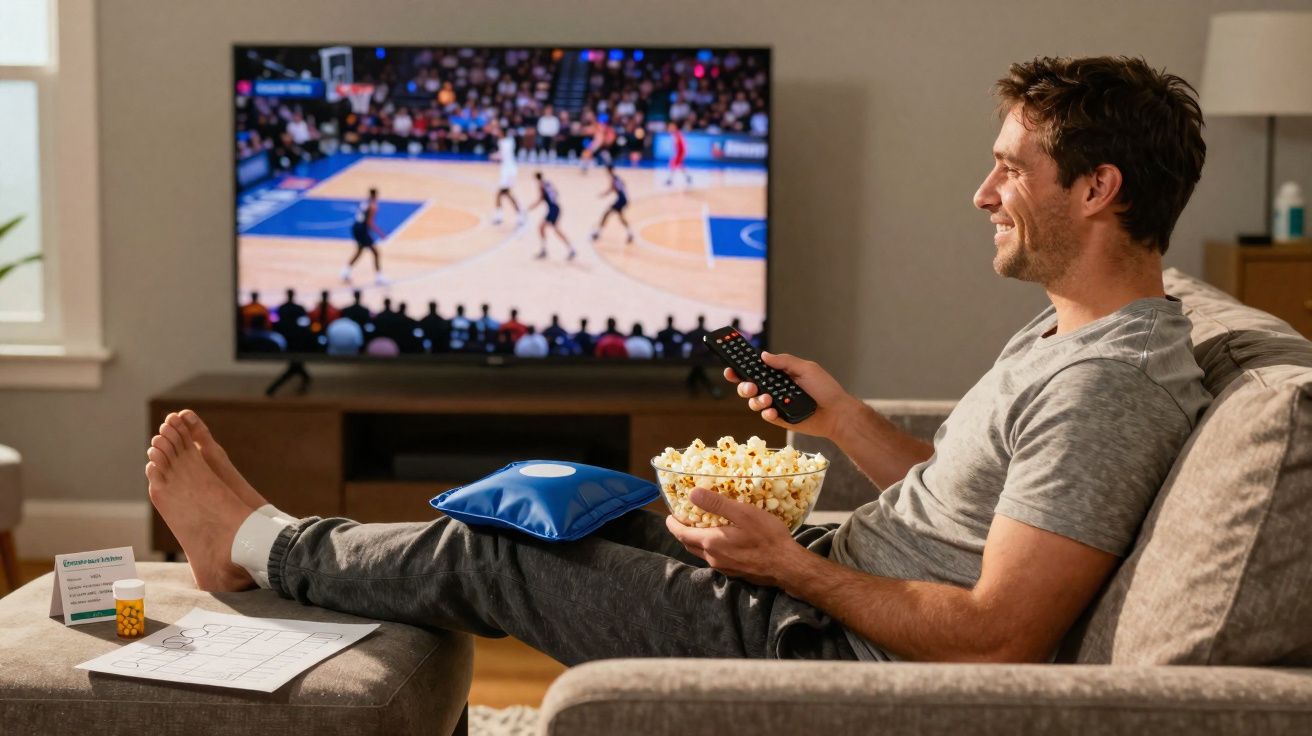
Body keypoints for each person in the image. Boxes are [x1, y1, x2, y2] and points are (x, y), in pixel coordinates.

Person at [147, 56, 1211, 666]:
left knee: (498, 553)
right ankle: (270, 543)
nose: (982, 196)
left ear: (1095, 189)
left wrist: (789, 564)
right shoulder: (1075, 331)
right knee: (572, 501)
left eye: (1008, 170)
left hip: (823, 634)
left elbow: (995, 637)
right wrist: (840, 418)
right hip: (842, 573)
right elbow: (970, 505)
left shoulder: (1108, 384)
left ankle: (253, 543)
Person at [342, 188, 389, 286]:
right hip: (362, 229)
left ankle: (346, 271)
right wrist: (381, 234)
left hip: (355, 227)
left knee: (360, 251)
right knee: (376, 253)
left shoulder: (365, 202)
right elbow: (369, 222)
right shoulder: (373, 206)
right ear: (376, 195)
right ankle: (379, 277)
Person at [530, 172, 575, 260]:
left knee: (542, 227)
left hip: (553, 209)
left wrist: (531, 207)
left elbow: (541, 198)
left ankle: (544, 250)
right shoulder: (549, 183)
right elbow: (556, 193)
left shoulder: (541, 185)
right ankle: (571, 248)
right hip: (556, 207)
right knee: (552, 229)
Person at [590, 165, 635, 245]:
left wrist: (603, 194)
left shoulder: (612, 178)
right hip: (624, 199)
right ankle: (630, 233)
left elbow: (611, 189)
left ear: (608, 170)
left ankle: (598, 233)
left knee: (606, 214)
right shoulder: (618, 177)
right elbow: (624, 185)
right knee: (620, 217)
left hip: (621, 199)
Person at [490, 123, 524, 226]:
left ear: (502, 133)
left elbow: (502, 155)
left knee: (501, 194)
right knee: (506, 194)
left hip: (508, 170)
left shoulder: (503, 142)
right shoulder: (510, 140)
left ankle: (500, 216)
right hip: (511, 169)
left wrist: (493, 156)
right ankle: (517, 215)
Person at [665, 120, 692, 187]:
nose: (669, 129)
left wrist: (681, 153)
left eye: (671, 127)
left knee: (673, 164)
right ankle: (687, 177)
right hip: (680, 152)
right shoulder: (677, 134)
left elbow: (679, 144)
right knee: (680, 165)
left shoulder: (677, 134)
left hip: (680, 152)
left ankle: (670, 179)